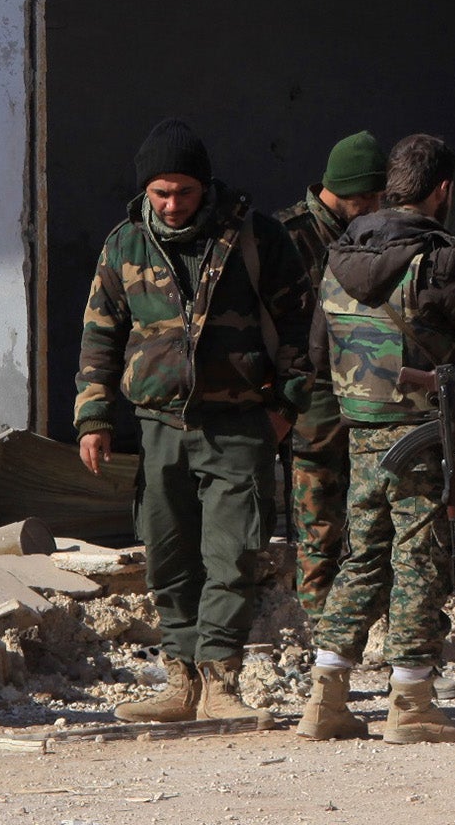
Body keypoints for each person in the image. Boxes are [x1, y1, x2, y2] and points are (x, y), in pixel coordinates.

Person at [75, 117, 316, 727]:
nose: (173, 204)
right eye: (161, 192)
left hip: (239, 423)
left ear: (204, 187)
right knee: (167, 552)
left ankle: (220, 681)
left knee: (233, 552)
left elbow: (302, 326)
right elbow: (99, 339)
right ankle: (179, 680)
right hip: (158, 426)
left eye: (184, 191)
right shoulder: (124, 245)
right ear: (145, 191)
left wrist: (285, 405)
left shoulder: (254, 237)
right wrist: (93, 419)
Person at [294, 134, 455, 745]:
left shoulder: (339, 256)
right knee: (417, 559)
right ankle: (412, 700)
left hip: (361, 433)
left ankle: (325, 698)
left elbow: (317, 355)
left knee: (362, 557)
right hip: (423, 436)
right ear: (442, 189)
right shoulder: (444, 260)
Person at [273, 131, 388, 620]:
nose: (378, 206)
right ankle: (321, 626)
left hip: (370, 389)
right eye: (371, 198)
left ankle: (369, 620)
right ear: (352, 193)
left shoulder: (376, 231)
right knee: (317, 517)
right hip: (314, 396)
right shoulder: (285, 236)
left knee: (372, 514)